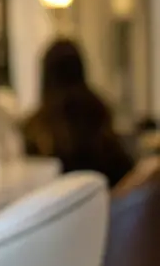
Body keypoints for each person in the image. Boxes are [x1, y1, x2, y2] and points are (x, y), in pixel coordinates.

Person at [22, 38, 135, 188]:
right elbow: (125, 173)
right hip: (106, 205)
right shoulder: (98, 111)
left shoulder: (35, 128)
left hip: (60, 209)